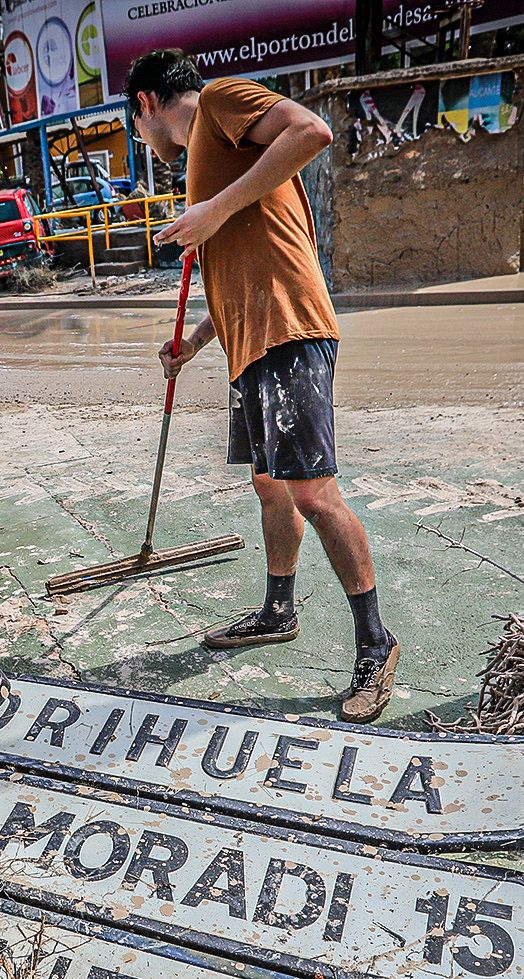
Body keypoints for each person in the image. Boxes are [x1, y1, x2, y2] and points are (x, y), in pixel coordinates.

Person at [131, 49, 399, 723]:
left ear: (146, 105)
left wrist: (211, 210)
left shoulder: (219, 102)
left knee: (312, 489)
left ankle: (376, 642)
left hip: (291, 329)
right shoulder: (209, 161)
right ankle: (279, 610)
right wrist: (192, 343)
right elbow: (243, 267)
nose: (144, 142)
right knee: (270, 484)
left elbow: (311, 132)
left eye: (137, 128)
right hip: (251, 342)